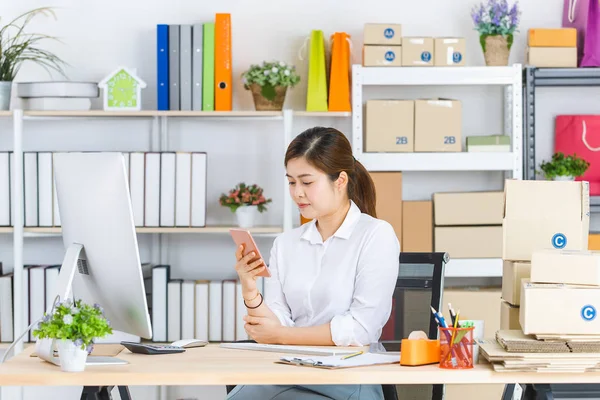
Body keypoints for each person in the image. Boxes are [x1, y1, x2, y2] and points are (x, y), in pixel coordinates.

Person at [226, 127, 400, 400]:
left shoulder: (376, 235)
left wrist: (282, 336)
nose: (297, 193)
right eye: (291, 182)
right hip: (288, 371)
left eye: (307, 182)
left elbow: (361, 329)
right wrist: (250, 288)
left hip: (348, 375)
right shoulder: (286, 244)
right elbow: (273, 323)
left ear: (340, 180)